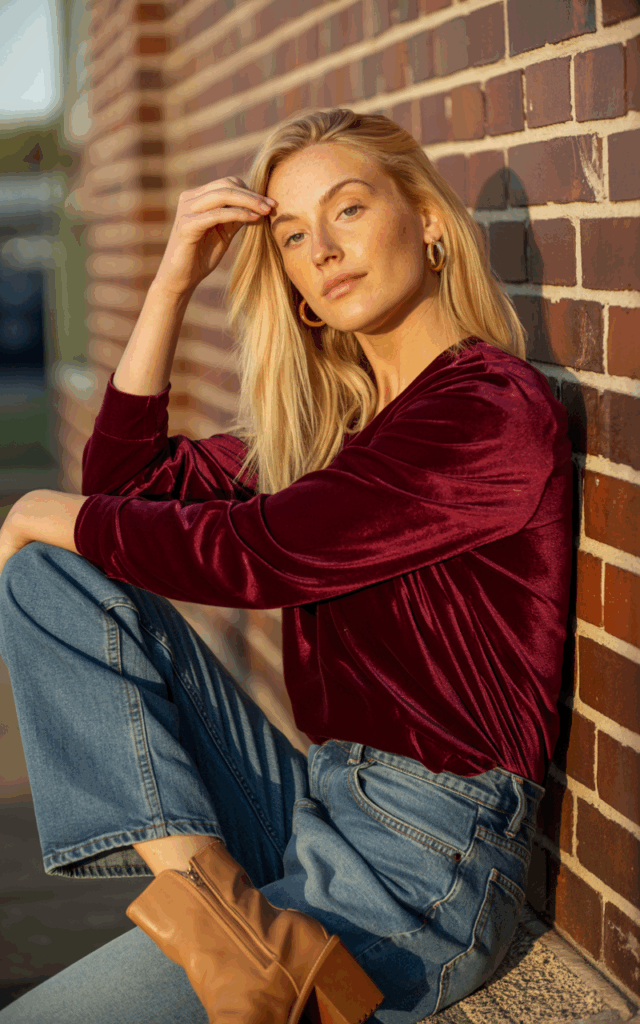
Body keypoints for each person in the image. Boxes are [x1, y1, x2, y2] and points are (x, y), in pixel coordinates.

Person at [0, 108, 573, 1024]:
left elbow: (255, 557)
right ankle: (231, 928)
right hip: (315, 803)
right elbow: (125, 488)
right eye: (295, 236)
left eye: (348, 210)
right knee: (48, 574)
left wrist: (40, 508)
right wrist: (175, 276)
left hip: (424, 863)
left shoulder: (485, 410)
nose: (324, 249)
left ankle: (239, 944)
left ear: (429, 221)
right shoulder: (338, 431)